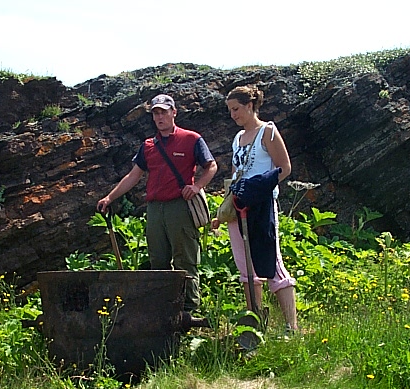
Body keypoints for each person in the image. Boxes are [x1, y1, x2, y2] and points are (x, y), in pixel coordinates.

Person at [97, 94, 218, 317]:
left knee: (185, 260)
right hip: (154, 208)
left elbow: (211, 166)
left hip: (180, 206)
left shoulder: (191, 138)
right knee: (158, 261)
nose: (160, 116)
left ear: (174, 113)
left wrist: (198, 186)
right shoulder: (149, 145)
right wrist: (109, 198)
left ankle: (190, 310)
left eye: (164, 111)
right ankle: (165, 309)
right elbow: (133, 176)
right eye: (156, 113)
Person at [211, 85, 299, 331]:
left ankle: (291, 327)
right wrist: (223, 209)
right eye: (230, 110)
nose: (233, 115)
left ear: (250, 106)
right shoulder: (237, 138)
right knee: (245, 266)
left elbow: (284, 168)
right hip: (238, 206)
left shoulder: (267, 132)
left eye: (236, 109)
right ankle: (256, 324)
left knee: (272, 263)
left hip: (261, 206)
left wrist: (258, 188)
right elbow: (235, 174)